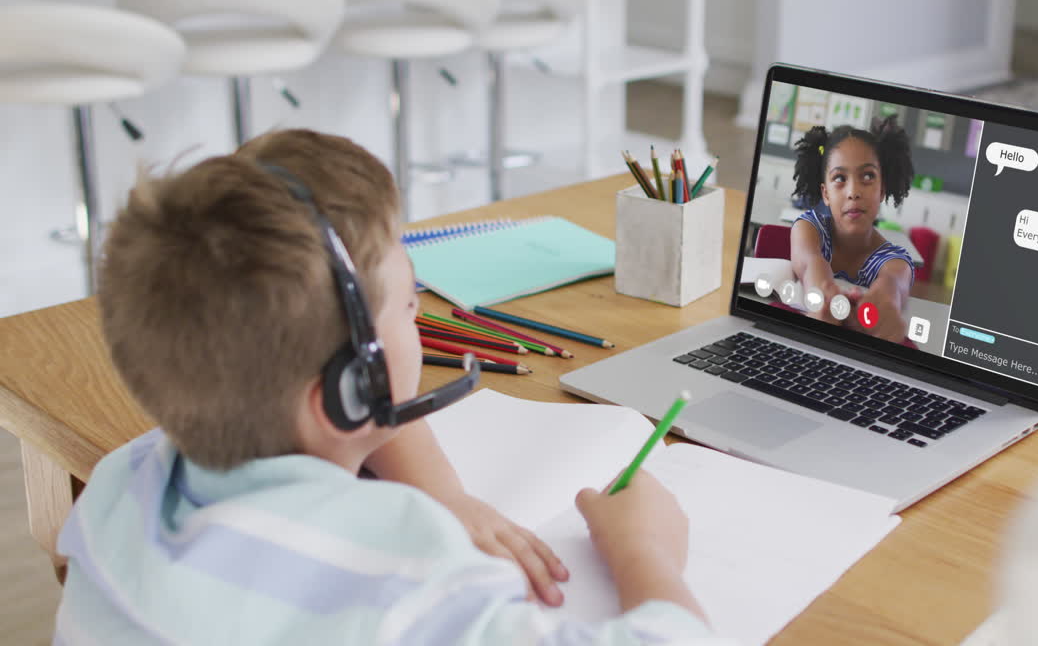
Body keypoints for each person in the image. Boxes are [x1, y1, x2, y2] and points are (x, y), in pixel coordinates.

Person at [54, 129, 709, 644]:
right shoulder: (405, 573)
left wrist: (445, 491)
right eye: (406, 305)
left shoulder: (123, 487)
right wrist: (644, 551)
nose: (421, 309)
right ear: (346, 391)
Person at [789, 118, 915, 343]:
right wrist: (822, 294)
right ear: (825, 194)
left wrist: (886, 304)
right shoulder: (809, 228)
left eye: (867, 176)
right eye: (840, 178)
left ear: (882, 190)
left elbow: (894, 283)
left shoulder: (896, 260)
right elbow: (811, 263)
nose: (853, 192)